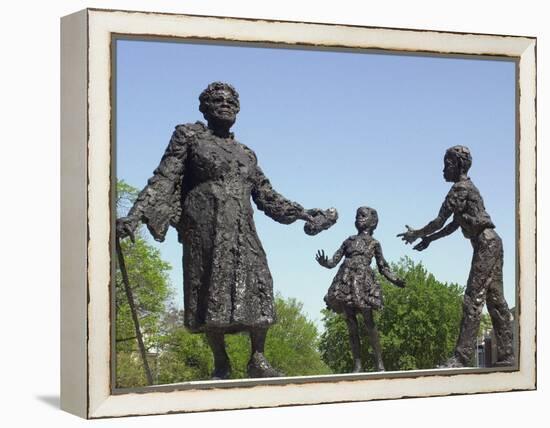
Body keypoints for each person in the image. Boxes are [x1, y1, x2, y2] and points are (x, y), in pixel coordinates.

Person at [117, 82, 337, 379]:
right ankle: (221, 361)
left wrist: (303, 213)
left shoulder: (245, 153)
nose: (225, 105)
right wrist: (133, 217)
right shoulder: (189, 136)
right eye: (218, 100)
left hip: (242, 228)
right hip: (204, 229)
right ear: (204, 108)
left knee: (260, 283)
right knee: (211, 289)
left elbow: (266, 195)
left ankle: (257, 358)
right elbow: (164, 178)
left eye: (231, 101)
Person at [397, 145, 514, 368]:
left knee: (473, 299)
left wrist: (417, 233)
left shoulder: (460, 189)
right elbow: (453, 225)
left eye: (447, 164)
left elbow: (439, 221)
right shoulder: (467, 189)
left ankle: (461, 357)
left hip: (486, 245)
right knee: (495, 300)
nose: (443, 170)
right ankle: (507, 355)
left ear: (458, 165)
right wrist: (430, 240)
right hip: (492, 243)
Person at [316, 207, 405, 372]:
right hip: (345, 282)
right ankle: (357, 364)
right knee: (351, 324)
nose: (359, 219)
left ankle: (379, 363)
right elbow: (333, 261)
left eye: (363, 216)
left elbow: (383, 267)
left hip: (363, 283)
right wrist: (324, 262)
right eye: (357, 216)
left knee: (369, 323)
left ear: (372, 222)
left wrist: (395, 279)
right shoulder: (348, 241)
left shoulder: (374, 243)